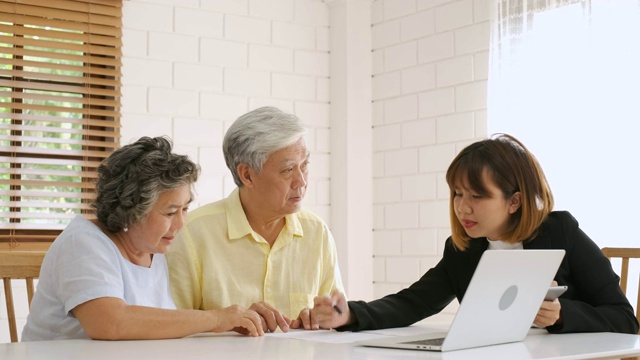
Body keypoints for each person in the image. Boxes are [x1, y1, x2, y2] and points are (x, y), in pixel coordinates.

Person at [306, 134, 639, 335]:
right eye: (457, 194)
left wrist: (562, 314)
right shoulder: (463, 249)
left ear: (514, 201)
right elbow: (414, 302)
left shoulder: (561, 231)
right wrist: (350, 314)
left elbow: (624, 318)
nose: (462, 208)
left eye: (477, 196)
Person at [22, 136, 267, 341]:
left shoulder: (152, 249)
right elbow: (110, 323)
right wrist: (215, 319)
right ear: (130, 210)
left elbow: (159, 327)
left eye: (185, 209)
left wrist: (234, 321)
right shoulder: (82, 243)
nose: (181, 223)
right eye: (170, 212)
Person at [166, 107, 345, 332]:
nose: (301, 181)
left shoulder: (317, 233)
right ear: (247, 175)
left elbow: (339, 316)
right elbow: (168, 329)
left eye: (305, 166)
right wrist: (224, 322)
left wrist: (324, 318)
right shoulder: (192, 233)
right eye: (288, 169)